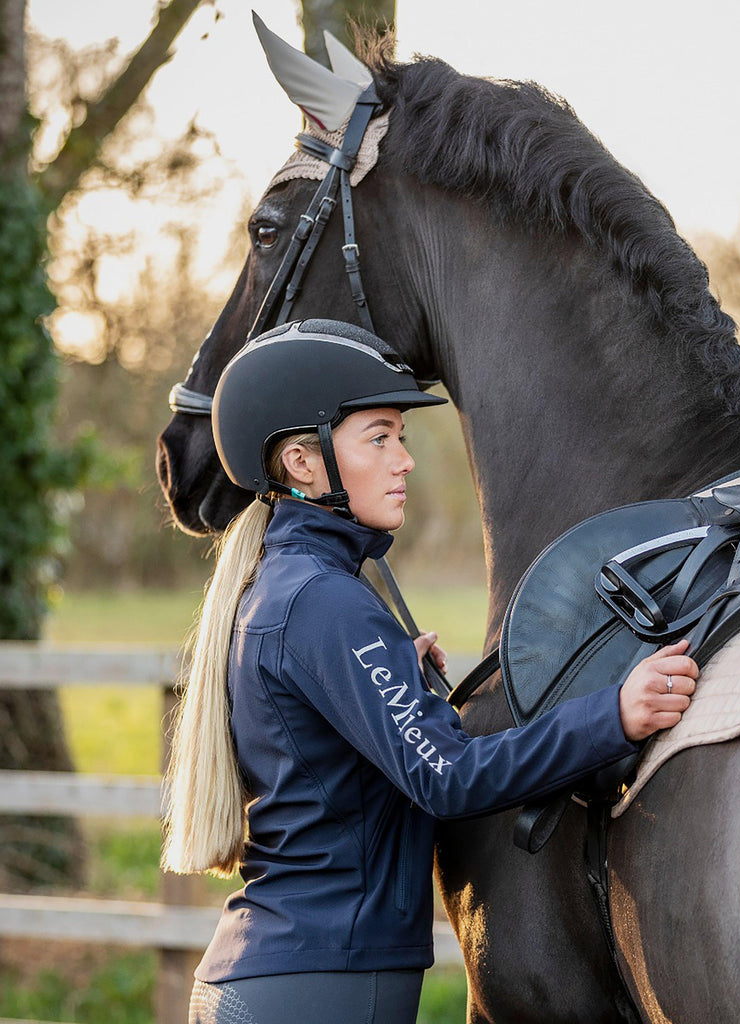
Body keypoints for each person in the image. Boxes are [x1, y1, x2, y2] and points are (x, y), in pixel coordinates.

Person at [161, 318, 698, 1024]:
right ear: (302, 461)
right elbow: (448, 778)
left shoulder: (288, 587)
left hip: (281, 976)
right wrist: (615, 715)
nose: (404, 460)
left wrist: (392, 687)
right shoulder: (326, 603)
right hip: (323, 985)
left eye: (402, 439)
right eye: (378, 437)